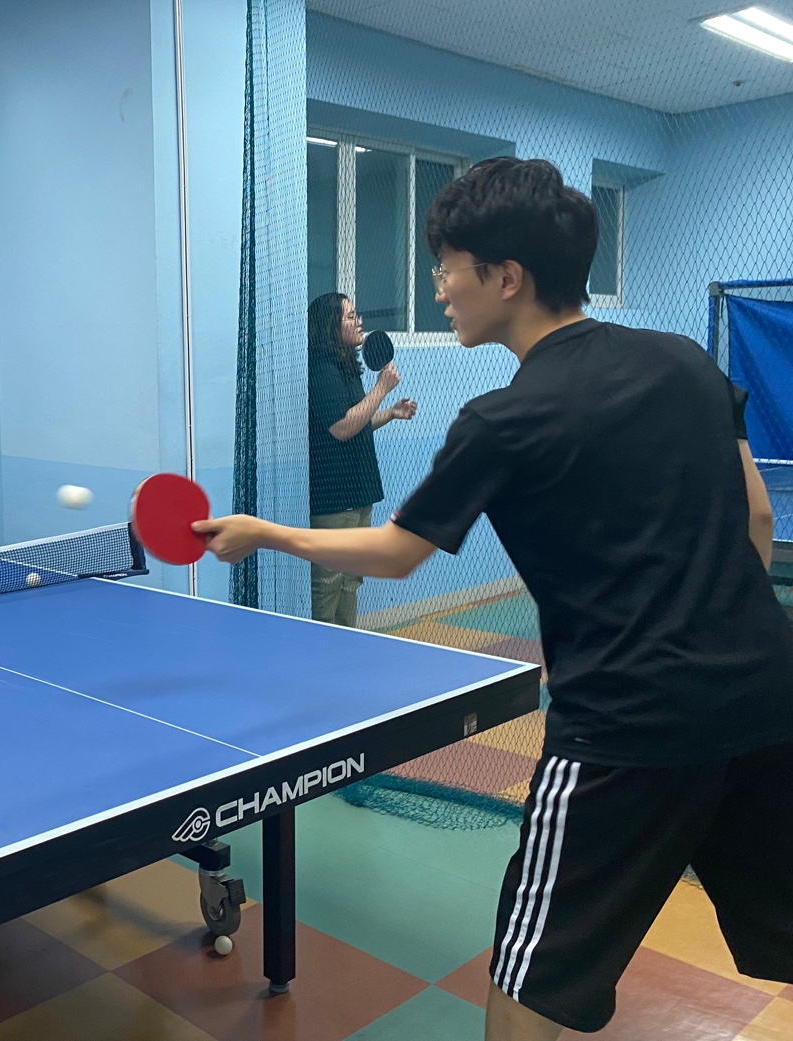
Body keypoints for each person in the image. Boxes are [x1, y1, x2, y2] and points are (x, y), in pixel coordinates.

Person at [196, 158, 793, 1040]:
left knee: (528, 975)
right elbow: (755, 517)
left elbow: (397, 555)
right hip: (770, 695)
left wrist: (264, 532)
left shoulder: (504, 418)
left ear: (507, 277)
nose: (439, 289)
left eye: (447, 268)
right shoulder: (686, 361)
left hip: (625, 728)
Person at [306, 292, 417, 625]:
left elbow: (358, 421)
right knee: (328, 579)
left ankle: (345, 643)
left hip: (359, 489)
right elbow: (341, 428)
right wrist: (381, 388)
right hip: (334, 496)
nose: (359, 322)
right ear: (331, 326)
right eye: (350, 316)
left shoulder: (346, 366)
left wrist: (391, 413)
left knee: (351, 576)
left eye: (357, 314)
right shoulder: (322, 371)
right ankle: (321, 647)